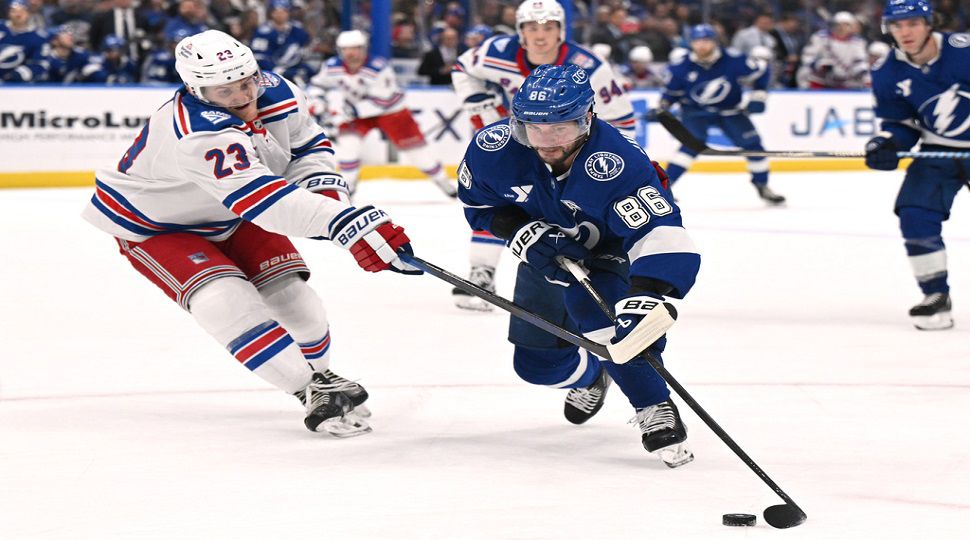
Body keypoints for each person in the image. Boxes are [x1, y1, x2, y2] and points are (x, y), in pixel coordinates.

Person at [80, 30, 420, 436]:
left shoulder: (279, 91)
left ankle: (324, 379)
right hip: (156, 224)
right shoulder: (197, 132)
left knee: (299, 304)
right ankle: (306, 390)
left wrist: (332, 203)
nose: (243, 97)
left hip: (228, 212)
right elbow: (262, 201)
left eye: (247, 81)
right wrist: (339, 223)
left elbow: (307, 148)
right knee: (224, 300)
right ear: (196, 89)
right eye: (226, 91)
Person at [457, 64, 700, 466]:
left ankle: (653, 405)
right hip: (544, 256)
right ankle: (594, 375)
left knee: (612, 328)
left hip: (610, 253)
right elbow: (480, 204)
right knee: (536, 367)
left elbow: (659, 233)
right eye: (535, 128)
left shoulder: (617, 162)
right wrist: (519, 228)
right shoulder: (493, 148)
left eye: (560, 128)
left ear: (587, 118)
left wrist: (648, 293)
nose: (546, 141)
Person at [450, 0, 635, 311]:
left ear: (561, 31)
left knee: (572, 219)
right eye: (532, 28)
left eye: (548, 28)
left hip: (568, 151)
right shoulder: (496, 51)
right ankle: (482, 271)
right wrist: (477, 101)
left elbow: (623, 119)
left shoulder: (589, 67)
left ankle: (602, 275)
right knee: (495, 199)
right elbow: (462, 68)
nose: (540, 36)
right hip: (517, 143)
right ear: (519, 31)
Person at [865, 0, 967, 330]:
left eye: (912, 23)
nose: (905, 32)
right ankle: (936, 296)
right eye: (897, 25)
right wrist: (887, 143)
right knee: (915, 213)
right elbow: (902, 123)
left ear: (929, 23)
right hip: (939, 152)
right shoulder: (886, 72)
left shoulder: (964, 51)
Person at [306, 30, 457, 198]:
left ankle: (444, 182)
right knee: (348, 146)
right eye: (346, 49)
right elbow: (317, 85)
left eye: (355, 48)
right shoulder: (332, 66)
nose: (351, 53)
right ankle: (348, 188)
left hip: (392, 113)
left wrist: (347, 112)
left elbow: (384, 101)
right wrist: (317, 102)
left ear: (364, 49)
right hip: (355, 113)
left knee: (417, 153)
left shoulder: (378, 67)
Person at [656, 24, 785, 205]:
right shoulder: (681, 66)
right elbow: (670, 93)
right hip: (695, 113)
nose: (701, 46)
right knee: (691, 144)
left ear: (714, 42)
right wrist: (662, 107)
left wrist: (759, 96)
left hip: (730, 112)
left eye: (706, 41)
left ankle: (763, 186)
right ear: (691, 43)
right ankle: (663, 188)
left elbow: (762, 71)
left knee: (753, 146)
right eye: (697, 41)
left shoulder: (734, 59)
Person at [797, 11, 869, 89]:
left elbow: (860, 61)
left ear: (851, 27)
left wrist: (861, 71)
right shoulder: (820, 37)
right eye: (839, 24)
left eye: (846, 25)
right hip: (820, 79)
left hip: (845, 80)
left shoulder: (858, 42)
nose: (842, 28)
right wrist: (819, 64)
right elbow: (807, 56)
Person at [249, 0, 313, 86]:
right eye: (277, 12)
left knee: (312, 74)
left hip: (295, 67)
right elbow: (259, 57)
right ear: (271, 13)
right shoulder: (263, 32)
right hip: (271, 72)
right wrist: (278, 70)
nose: (281, 15)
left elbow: (305, 47)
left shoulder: (297, 29)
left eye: (284, 11)